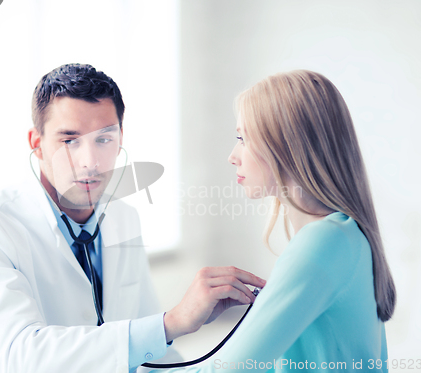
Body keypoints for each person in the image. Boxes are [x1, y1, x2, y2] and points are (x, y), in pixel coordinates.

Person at [0, 63, 265, 373]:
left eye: (103, 139)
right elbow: (18, 358)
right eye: (69, 140)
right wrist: (172, 323)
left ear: (120, 138)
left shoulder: (123, 218)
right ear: (37, 144)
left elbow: (150, 353)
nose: (91, 162)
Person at [152, 70, 396, 373]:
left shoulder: (322, 243)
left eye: (242, 138)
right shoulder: (345, 235)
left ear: (287, 147)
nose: (232, 156)